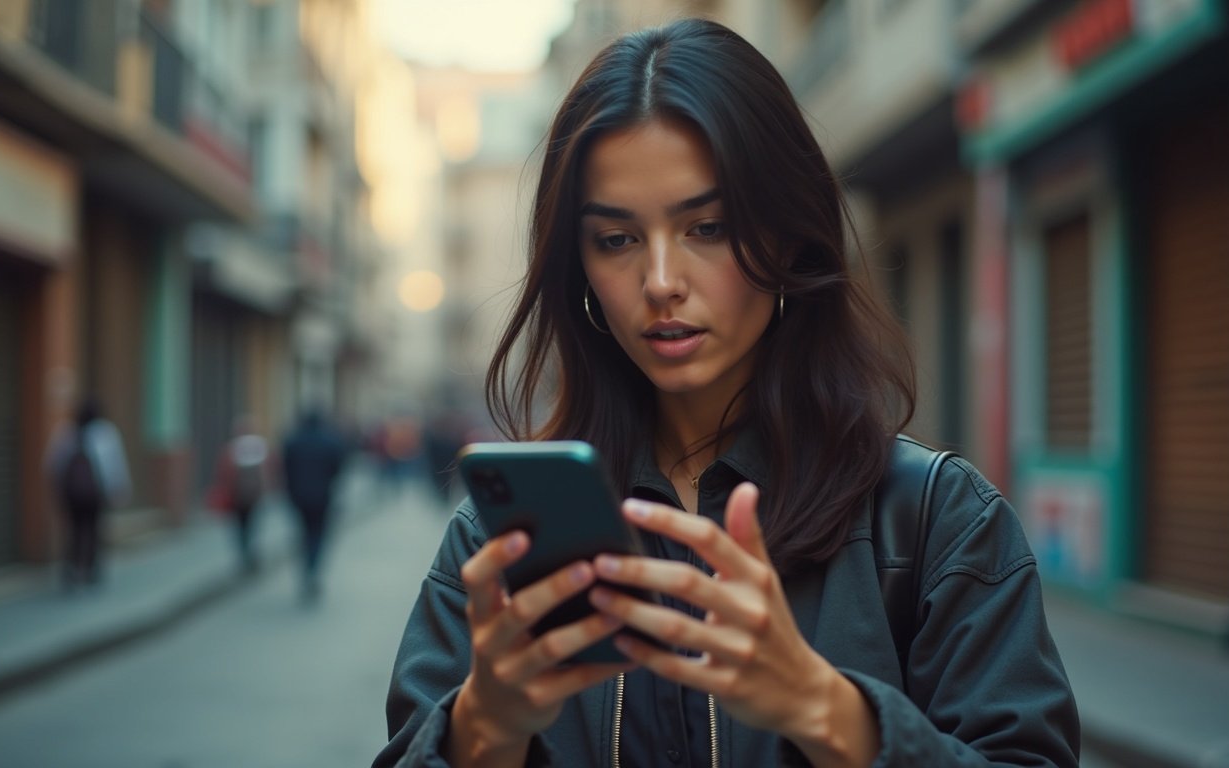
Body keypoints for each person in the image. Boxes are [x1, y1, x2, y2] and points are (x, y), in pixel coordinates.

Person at [375, 18, 1079, 768]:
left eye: (706, 227)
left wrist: (828, 710)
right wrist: (484, 726)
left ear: (786, 239)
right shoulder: (501, 542)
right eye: (616, 239)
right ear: (577, 267)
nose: (660, 282)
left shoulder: (937, 526)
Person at [45, 398, 131, 589]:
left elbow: (53, 463)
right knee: (93, 529)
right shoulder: (105, 433)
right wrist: (119, 489)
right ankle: (91, 570)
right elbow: (114, 465)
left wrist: (58, 490)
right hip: (95, 495)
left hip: (71, 495)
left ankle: (72, 569)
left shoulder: (66, 432)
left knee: (74, 530)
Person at [282, 408, 349, 602]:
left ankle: (306, 570)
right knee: (319, 535)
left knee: (303, 533)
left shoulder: (293, 440)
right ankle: (313, 569)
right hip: (323, 497)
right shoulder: (330, 441)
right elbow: (338, 467)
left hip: (298, 497)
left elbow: (285, 468)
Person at [208, 416, 271, 575]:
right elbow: (266, 470)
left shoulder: (232, 448)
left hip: (237, 496)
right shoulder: (259, 445)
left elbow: (224, 472)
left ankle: (244, 554)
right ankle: (250, 553)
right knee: (252, 526)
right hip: (254, 496)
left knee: (240, 527)